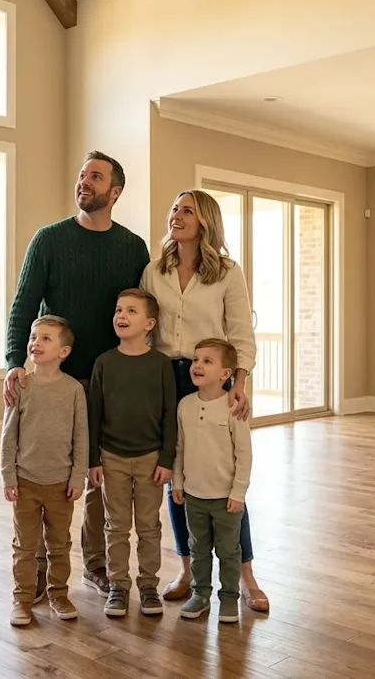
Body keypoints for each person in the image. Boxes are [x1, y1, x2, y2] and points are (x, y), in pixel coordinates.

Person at [3, 151, 151, 601]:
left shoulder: (133, 247)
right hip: (53, 379)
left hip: (108, 382)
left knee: (94, 475)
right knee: (44, 472)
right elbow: (23, 304)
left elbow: (140, 312)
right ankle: (40, 573)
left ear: (115, 191)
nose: (85, 182)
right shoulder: (48, 240)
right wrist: (14, 361)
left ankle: (96, 565)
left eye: (96, 177)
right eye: (83, 175)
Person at [139, 189, 270, 612]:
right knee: (179, 478)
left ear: (206, 222)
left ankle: (245, 574)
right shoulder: (153, 271)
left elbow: (241, 335)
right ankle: (187, 569)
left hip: (212, 378)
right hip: (163, 379)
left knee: (222, 476)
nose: (176, 215)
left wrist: (240, 383)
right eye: (174, 208)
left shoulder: (228, 273)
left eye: (187, 210)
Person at [87, 288, 177, 617]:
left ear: (150, 323)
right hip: (111, 458)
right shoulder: (104, 363)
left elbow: (170, 415)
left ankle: (149, 584)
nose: (121, 316)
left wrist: (167, 459)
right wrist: (93, 459)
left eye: (131, 311)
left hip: (151, 459)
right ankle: (118, 586)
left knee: (149, 526)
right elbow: (94, 415)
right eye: (118, 310)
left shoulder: (161, 365)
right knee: (116, 525)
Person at [0, 316, 88, 626]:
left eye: (46, 338)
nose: (35, 343)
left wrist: (78, 477)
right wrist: (8, 476)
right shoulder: (21, 386)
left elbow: (81, 437)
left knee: (60, 545)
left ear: (64, 351)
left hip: (61, 485)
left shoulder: (74, 390)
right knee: (24, 546)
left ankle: (59, 594)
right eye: (34, 337)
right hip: (25, 483)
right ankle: (22, 599)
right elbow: (8, 436)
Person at [172, 338, 253, 623]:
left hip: (226, 499)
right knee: (199, 548)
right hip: (194, 496)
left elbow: (244, 455)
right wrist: (178, 483)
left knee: (229, 551)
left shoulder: (234, 408)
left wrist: (238, 492)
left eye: (207, 361)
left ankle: (229, 597)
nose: (197, 365)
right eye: (196, 359)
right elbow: (180, 448)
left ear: (225, 374)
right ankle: (200, 594)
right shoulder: (184, 405)